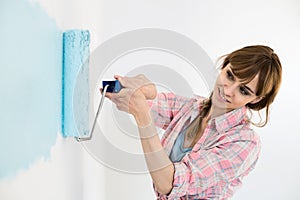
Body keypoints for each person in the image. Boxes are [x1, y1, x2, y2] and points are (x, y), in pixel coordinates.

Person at [103, 45, 282, 199]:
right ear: (224, 66)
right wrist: (141, 90)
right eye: (230, 76)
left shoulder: (244, 143)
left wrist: (142, 116)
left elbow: (168, 184)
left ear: (257, 99)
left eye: (244, 90)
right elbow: (140, 101)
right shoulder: (190, 107)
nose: (228, 91)